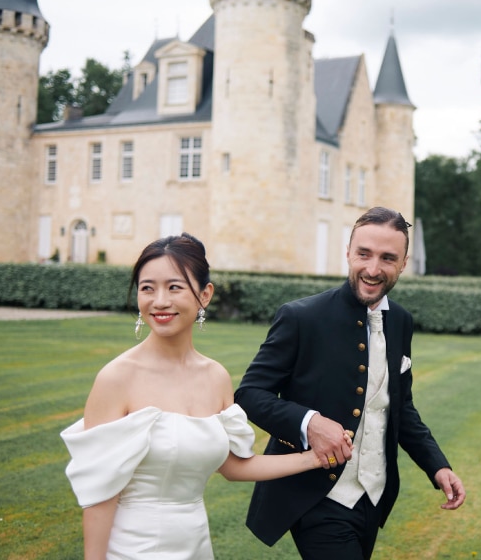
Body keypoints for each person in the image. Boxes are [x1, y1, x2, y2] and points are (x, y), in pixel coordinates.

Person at [61, 232, 324, 560]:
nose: (159, 301)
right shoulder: (116, 379)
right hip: (131, 549)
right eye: (147, 288)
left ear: (204, 294)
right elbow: (100, 495)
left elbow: (233, 466)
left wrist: (314, 457)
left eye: (174, 287)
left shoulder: (216, 378)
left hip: (196, 544)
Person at [234, 207, 466, 560]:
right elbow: (249, 394)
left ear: (403, 263)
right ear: (348, 252)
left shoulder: (401, 321)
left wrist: (438, 465)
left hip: (374, 498)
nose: (373, 269)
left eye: (388, 258)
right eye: (364, 254)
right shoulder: (301, 317)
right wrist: (310, 423)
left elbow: (400, 406)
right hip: (317, 496)